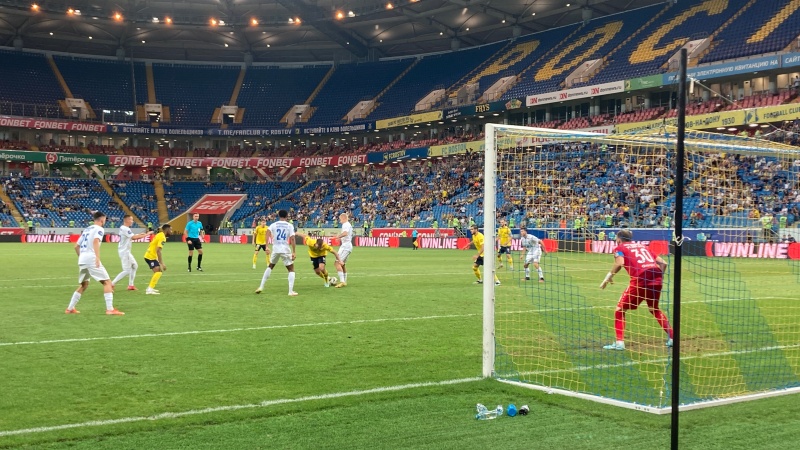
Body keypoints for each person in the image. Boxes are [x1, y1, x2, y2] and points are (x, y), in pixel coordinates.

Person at [599, 229, 673, 350]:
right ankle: (672, 337)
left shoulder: (620, 248)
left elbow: (620, 263)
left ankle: (619, 343)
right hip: (657, 277)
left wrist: (608, 277)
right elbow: (663, 263)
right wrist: (658, 278)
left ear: (619, 239)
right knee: (654, 309)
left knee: (619, 309)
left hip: (640, 278)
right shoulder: (643, 246)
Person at [66, 211, 124, 315]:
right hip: (91, 258)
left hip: (82, 259)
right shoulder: (99, 229)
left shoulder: (87, 229)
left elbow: (76, 246)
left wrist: (82, 257)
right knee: (107, 283)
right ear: (101, 219)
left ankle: (70, 308)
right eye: (105, 219)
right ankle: (110, 309)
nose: (105, 221)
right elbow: (96, 241)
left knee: (84, 285)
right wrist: (97, 257)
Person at [255, 209, 298, 296]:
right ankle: (290, 291)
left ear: (279, 216)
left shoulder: (273, 224)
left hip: (276, 248)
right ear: (287, 216)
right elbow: (292, 238)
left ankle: (261, 287)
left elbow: (267, 233)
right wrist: (294, 252)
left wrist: (267, 246)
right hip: (285, 249)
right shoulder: (289, 225)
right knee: (291, 269)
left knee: (270, 266)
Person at [111, 214, 153, 290]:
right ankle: (112, 284)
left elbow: (130, 236)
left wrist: (140, 234)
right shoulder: (125, 228)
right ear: (127, 220)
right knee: (127, 270)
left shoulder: (123, 228)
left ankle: (131, 285)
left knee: (134, 266)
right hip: (125, 252)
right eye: (131, 219)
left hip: (125, 251)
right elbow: (133, 237)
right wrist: (147, 234)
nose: (132, 221)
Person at [143, 224, 172, 295]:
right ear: (167, 230)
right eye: (170, 229)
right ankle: (149, 289)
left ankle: (150, 288)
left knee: (158, 272)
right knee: (158, 272)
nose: (171, 231)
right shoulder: (162, 237)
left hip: (149, 254)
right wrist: (161, 263)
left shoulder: (160, 234)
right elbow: (158, 251)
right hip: (151, 256)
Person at [333, 212, 353, 288]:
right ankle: (344, 281)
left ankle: (342, 281)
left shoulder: (346, 224)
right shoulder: (347, 224)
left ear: (343, 218)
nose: (340, 221)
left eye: (340, 219)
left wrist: (338, 236)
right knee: (342, 264)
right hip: (347, 246)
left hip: (345, 246)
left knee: (337, 263)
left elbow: (345, 233)